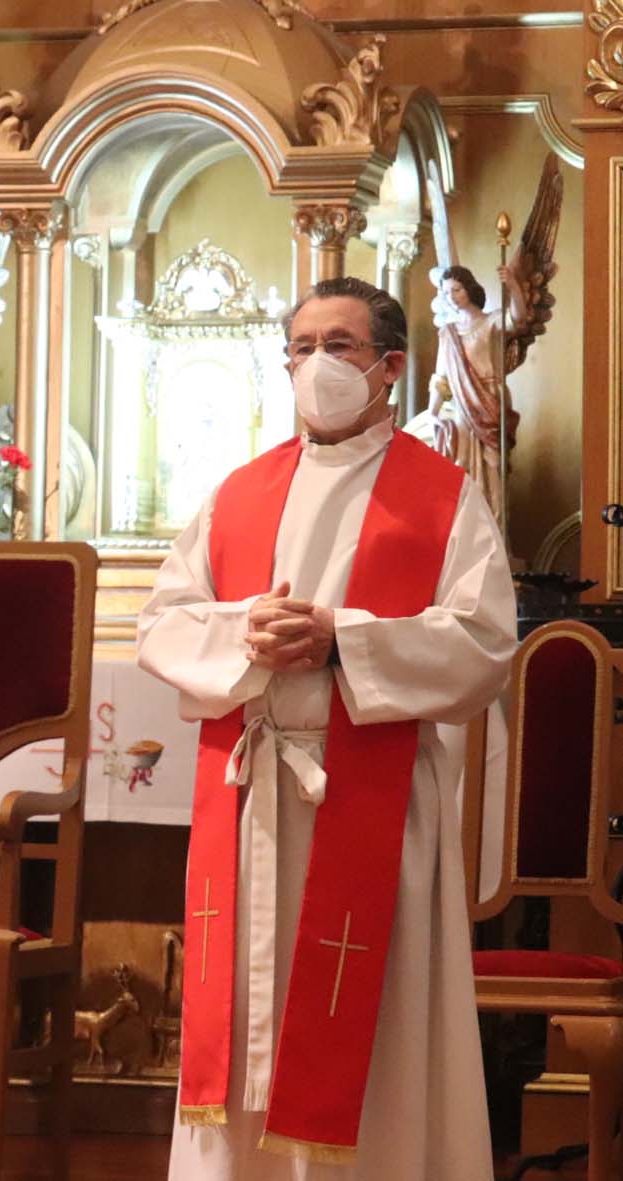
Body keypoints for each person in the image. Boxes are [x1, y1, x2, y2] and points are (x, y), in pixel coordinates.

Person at [138, 277, 514, 1178]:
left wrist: (342, 640)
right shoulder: (237, 493)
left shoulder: (442, 496)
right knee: (246, 1028)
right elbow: (161, 625)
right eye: (300, 347)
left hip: (372, 804)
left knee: (373, 1031)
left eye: (338, 345)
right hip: (253, 803)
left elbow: (482, 642)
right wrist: (247, 632)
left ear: (389, 367)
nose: (315, 364)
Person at [402, 263, 523, 529]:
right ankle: (467, 532)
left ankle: (495, 532)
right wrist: (433, 412)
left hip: (490, 400)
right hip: (461, 407)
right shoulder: (448, 333)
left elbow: (518, 318)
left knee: (493, 467)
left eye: (456, 289)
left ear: (469, 289)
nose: (452, 296)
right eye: (446, 292)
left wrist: (512, 284)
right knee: (462, 465)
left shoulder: (492, 322)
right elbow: (441, 379)